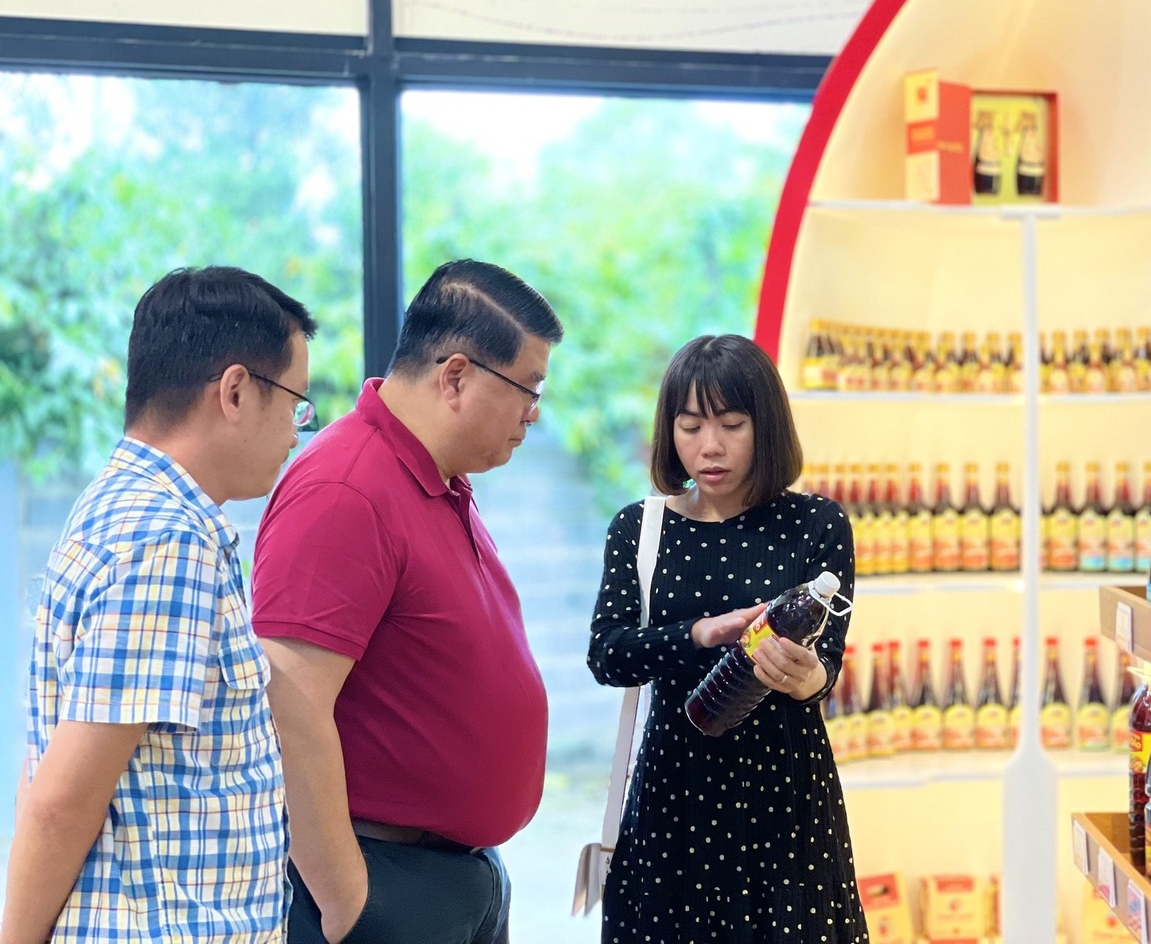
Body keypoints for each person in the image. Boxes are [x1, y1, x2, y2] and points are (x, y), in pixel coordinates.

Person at [250, 259, 562, 944]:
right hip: (385, 877)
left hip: (449, 870)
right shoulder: (346, 487)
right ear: (456, 376)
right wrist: (350, 905)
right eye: (528, 387)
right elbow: (287, 703)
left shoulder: (437, 477)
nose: (533, 412)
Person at [2, 266, 317, 943]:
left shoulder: (121, 503)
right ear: (235, 391)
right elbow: (63, 798)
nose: (297, 433)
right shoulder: (166, 539)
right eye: (297, 403)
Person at [588, 333, 868, 943]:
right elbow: (607, 655)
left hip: (785, 796)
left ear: (766, 427)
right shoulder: (640, 528)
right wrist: (696, 635)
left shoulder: (817, 524)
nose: (709, 446)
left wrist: (807, 677)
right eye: (690, 426)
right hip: (673, 794)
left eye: (732, 425)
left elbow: (826, 665)